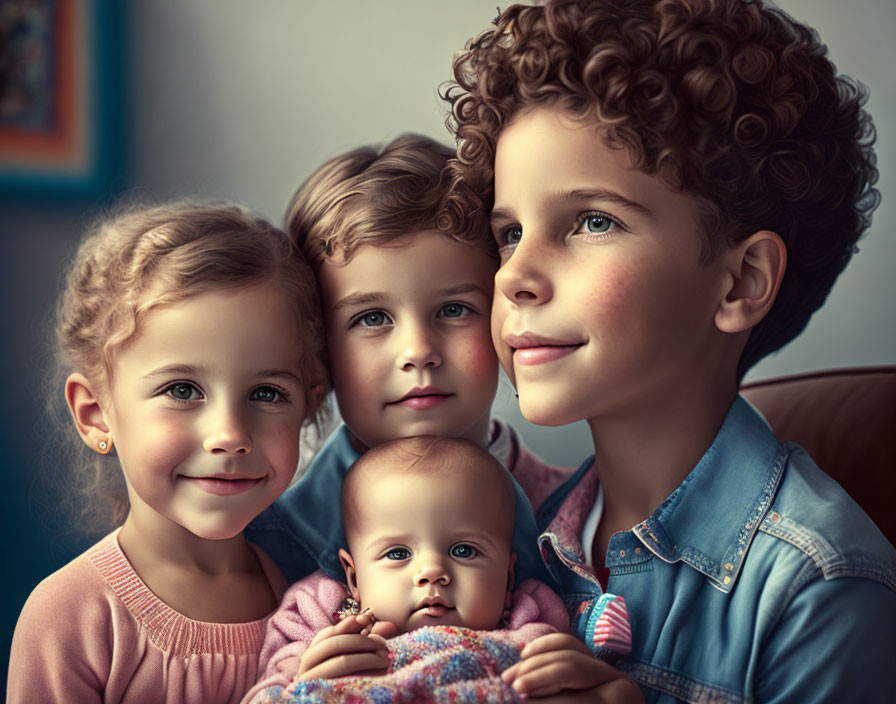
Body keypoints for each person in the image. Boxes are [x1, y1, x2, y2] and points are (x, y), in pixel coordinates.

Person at [440, 0, 896, 701]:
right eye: (509, 233)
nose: (514, 277)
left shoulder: (820, 590)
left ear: (741, 281)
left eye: (592, 221)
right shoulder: (507, 537)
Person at [7, 201, 327, 703]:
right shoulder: (71, 616)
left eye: (266, 393)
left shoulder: (307, 596)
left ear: (309, 405)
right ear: (96, 414)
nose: (229, 434)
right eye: (182, 390)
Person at [245, 134, 571, 587]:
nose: (418, 350)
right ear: (317, 349)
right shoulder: (269, 545)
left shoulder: (573, 517)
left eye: (454, 310)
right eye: (372, 318)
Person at [244, 436, 636, 703]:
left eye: (464, 550)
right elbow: (268, 690)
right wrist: (303, 686)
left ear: (507, 578)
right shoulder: (317, 616)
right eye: (398, 554)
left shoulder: (531, 624)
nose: (432, 572)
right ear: (353, 577)